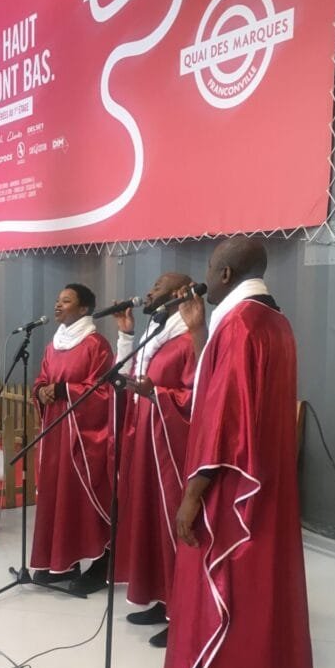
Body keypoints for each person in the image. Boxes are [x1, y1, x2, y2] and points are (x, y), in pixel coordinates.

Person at [159, 237, 316, 668]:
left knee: (229, 590)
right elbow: (225, 392)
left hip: (230, 489)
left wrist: (193, 493)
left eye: (209, 266)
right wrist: (199, 331)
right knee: (256, 596)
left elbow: (225, 415)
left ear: (225, 274)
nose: (204, 274)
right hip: (263, 486)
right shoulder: (274, 322)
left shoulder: (241, 324)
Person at [112, 273, 197, 644]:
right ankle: (162, 599)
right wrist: (126, 336)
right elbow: (131, 380)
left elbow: (195, 397)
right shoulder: (156, 337)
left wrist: (156, 393)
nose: (149, 291)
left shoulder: (189, 341)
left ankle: (184, 613)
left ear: (178, 293)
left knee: (170, 524)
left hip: (171, 450)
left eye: (158, 285)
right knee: (148, 521)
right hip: (146, 439)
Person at [30, 283, 113, 590]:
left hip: (82, 437)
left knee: (79, 498)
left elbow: (104, 391)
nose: (57, 305)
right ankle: (63, 563)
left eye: (66, 301)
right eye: (57, 300)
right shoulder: (53, 345)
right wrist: (41, 391)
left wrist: (65, 390)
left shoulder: (96, 345)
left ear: (84, 309)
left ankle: (101, 563)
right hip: (55, 432)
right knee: (56, 497)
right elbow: (42, 378)